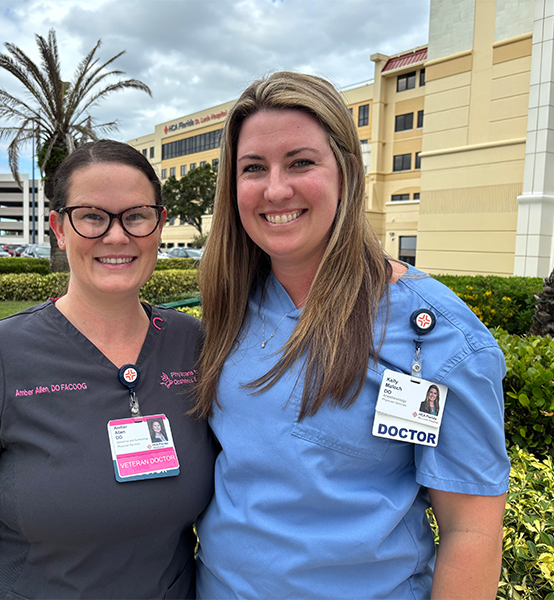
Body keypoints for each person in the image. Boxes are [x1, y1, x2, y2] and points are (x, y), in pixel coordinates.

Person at [192, 72, 509, 599]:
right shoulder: (232, 307)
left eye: (300, 162)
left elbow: (471, 530)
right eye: (253, 168)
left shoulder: (434, 335)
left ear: (346, 171)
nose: (275, 189)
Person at [0, 140, 216, 599]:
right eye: (92, 216)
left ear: (159, 224)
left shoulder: (197, 347)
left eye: (136, 215)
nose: (116, 235)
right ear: (59, 228)